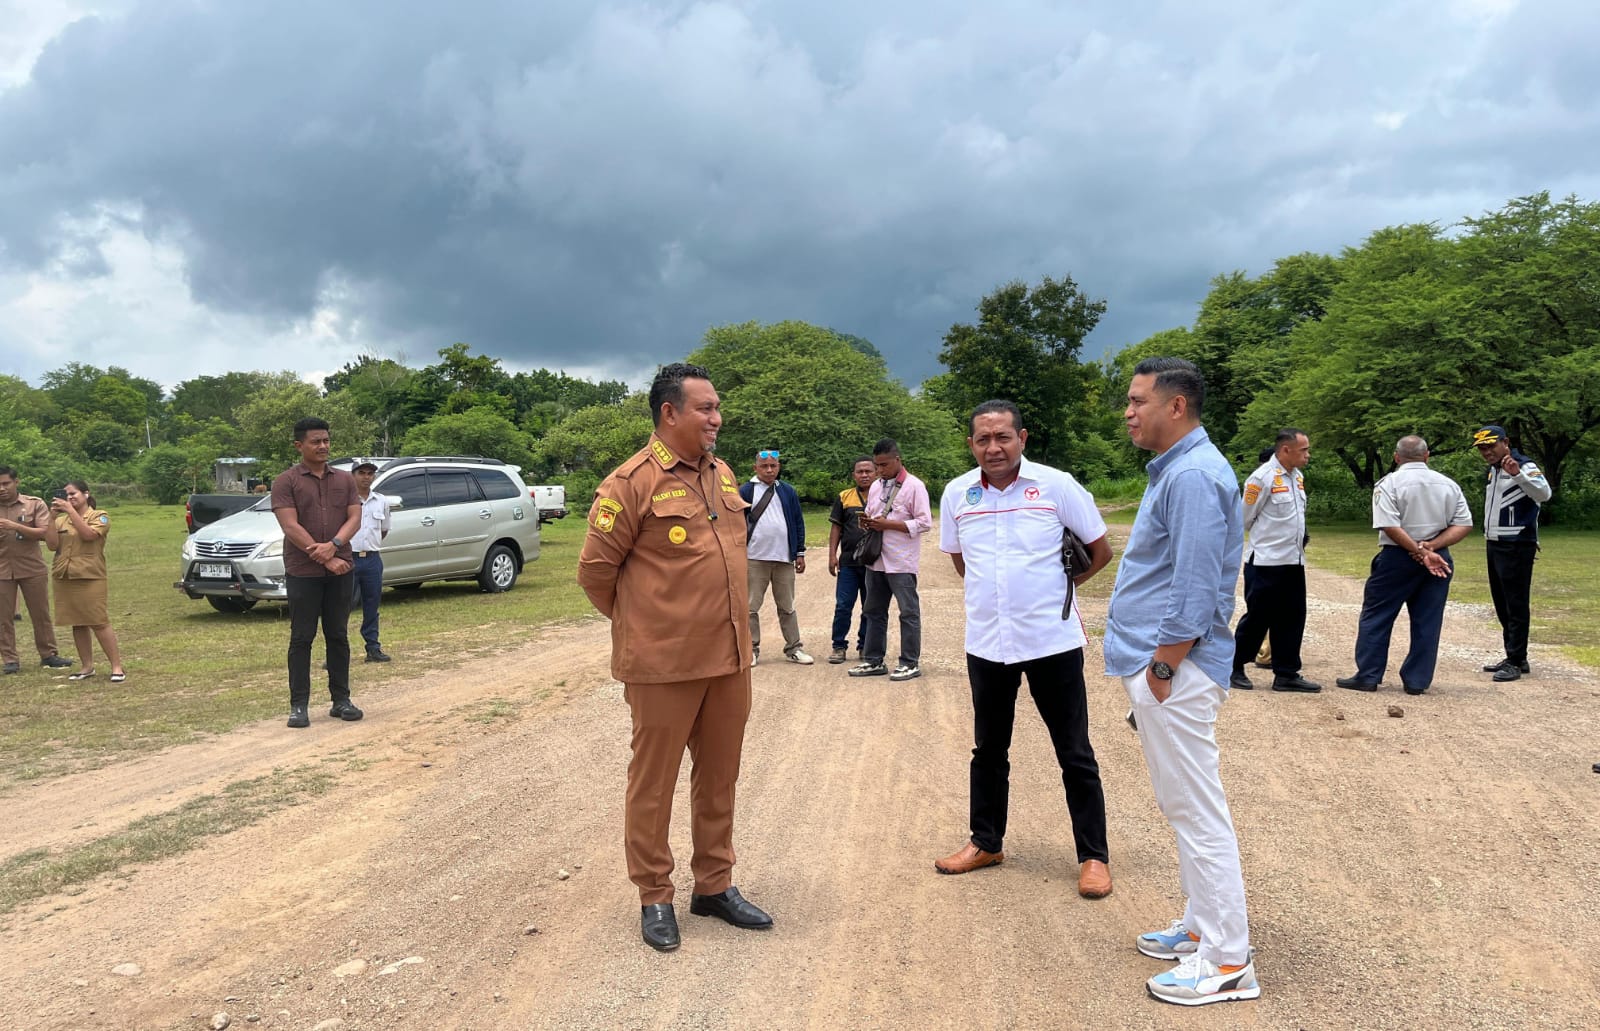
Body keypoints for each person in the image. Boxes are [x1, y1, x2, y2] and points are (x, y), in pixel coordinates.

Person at [577, 362, 772, 953]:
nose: (717, 418)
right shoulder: (629, 483)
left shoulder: (724, 474)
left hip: (728, 659)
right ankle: (654, 894)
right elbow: (594, 574)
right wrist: (647, 627)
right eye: (706, 408)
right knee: (654, 784)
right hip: (663, 666)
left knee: (719, 779)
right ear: (670, 413)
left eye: (717, 408)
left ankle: (713, 885)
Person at [1103, 357, 1259, 1006]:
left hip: (1177, 668)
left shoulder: (1193, 474)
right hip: (1170, 666)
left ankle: (1227, 961)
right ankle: (1201, 924)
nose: (1129, 411)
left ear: (1176, 406)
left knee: (1197, 810)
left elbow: (1197, 586)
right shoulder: (1181, 469)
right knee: (1183, 806)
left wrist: (1163, 665)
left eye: (1139, 400)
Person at [935, 400, 1116, 899]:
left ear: (1023, 438)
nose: (993, 447)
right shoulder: (957, 494)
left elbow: (1100, 550)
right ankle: (986, 842)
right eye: (983, 439)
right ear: (971, 444)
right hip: (988, 644)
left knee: (1074, 752)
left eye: (1003, 437)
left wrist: (1053, 592)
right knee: (988, 750)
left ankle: (1093, 856)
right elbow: (959, 559)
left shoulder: (1056, 486)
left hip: (1050, 641)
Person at [1337, 436, 1473, 696]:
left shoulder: (1389, 484)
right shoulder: (1448, 485)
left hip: (1397, 556)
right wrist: (1430, 548)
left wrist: (1417, 549)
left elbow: (1388, 524)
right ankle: (1417, 681)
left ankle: (1368, 675)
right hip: (1439, 557)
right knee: (1428, 619)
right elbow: (1463, 523)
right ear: (1427, 456)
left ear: (1396, 457)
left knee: (1377, 615)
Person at [271, 417, 364, 728]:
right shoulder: (286, 481)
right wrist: (325, 557)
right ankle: (299, 706)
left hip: (342, 568)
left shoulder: (345, 480)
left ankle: (341, 700)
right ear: (299, 446)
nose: (323, 446)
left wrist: (335, 544)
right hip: (303, 571)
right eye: (315, 441)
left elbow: (355, 518)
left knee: (337, 634)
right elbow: (289, 526)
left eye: (326, 440)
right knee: (302, 637)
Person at [1229, 429, 1320, 692]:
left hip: (1293, 561)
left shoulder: (1297, 477)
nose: (1308, 455)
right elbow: (1244, 519)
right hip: (1266, 562)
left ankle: (1286, 673)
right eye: (1303, 450)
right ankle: (1234, 666)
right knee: (1259, 617)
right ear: (1285, 450)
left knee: (1293, 617)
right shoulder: (1261, 478)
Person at [1471, 425, 1552, 682]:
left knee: (1515, 603)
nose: (1486, 452)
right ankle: (1514, 655)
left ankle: (1516, 660)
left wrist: (1518, 475)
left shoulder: (1524, 465)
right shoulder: (1493, 471)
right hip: (1495, 542)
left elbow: (1544, 494)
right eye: (1482, 448)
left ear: (1505, 442)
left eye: (1491, 446)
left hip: (1517, 542)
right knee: (1502, 602)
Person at [847, 439, 932, 682]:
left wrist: (889, 525)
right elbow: (875, 514)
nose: (880, 470)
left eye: (884, 465)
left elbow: (925, 522)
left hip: (901, 562)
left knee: (908, 612)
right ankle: (873, 661)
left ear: (897, 460)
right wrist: (869, 521)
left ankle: (909, 662)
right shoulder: (876, 486)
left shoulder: (914, 486)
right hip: (876, 560)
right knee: (873, 611)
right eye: (877, 465)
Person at [42, 482, 125, 682]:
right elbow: (52, 545)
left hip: (90, 576)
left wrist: (70, 511)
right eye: (66, 495)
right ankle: (87, 667)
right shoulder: (61, 521)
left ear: (86, 494)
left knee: (98, 621)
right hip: (65, 575)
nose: (69, 497)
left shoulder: (99, 516)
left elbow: (89, 536)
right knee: (77, 622)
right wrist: (52, 517)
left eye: (73, 494)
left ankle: (116, 667)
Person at [738, 450, 813, 665]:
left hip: (783, 558)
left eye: (773, 465)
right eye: (764, 466)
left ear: (779, 467)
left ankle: (794, 648)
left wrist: (799, 552)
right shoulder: (746, 491)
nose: (769, 470)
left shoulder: (787, 491)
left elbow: (798, 521)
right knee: (751, 607)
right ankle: (751, 649)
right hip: (754, 558)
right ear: (756, 468)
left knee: (787, 606)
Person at [0, 467, 74, 673]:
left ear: (17, 482)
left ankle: (49, 654)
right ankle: (10, 660)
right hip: (2, 569)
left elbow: (44, 532)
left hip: (31, 566)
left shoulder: (34, 504)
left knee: (40, 613)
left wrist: (15, 527)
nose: (2, 488)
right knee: (3, 617)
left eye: (5, 483)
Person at [826, 457, 876, 664]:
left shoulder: (883, 497)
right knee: (843, 605)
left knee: (870, 606)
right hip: (848, 562)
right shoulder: (844, 497)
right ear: (854, 475)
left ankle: (865, 645)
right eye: (860, 472)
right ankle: (839, 646)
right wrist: (831, 555)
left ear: (876, 473)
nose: (864, 475)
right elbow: (836, 527)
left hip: (874, 562)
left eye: (868, 471)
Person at [350, 461, 393, 663]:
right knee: (341, 606)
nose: (366, 477)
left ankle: (373, 648)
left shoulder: (381, 501)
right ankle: (337, 652)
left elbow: (383, 529)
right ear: (353, 475)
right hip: (348, 558)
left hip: (372, 558)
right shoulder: (345, 500)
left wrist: (369, 546)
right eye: (361, 473)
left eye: (370, 473)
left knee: (372, 605)